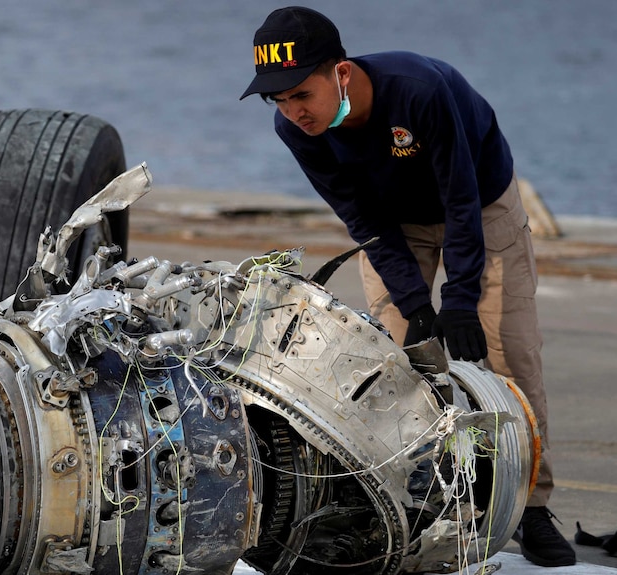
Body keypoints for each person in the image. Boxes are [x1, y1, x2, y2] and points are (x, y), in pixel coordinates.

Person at [240, 6, 575, 568]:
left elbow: (462, 200)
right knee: (397, 365)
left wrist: (461, 299)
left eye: (302, 93)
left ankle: (530, 507)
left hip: (480, 203)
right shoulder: (297, 131)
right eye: (279, 99)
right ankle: (427, 499)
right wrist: (418, 307)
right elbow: (362, 219)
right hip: (394, 222)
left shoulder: (419, 92)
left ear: (340, 73)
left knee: (508, 356)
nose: (293, 111)